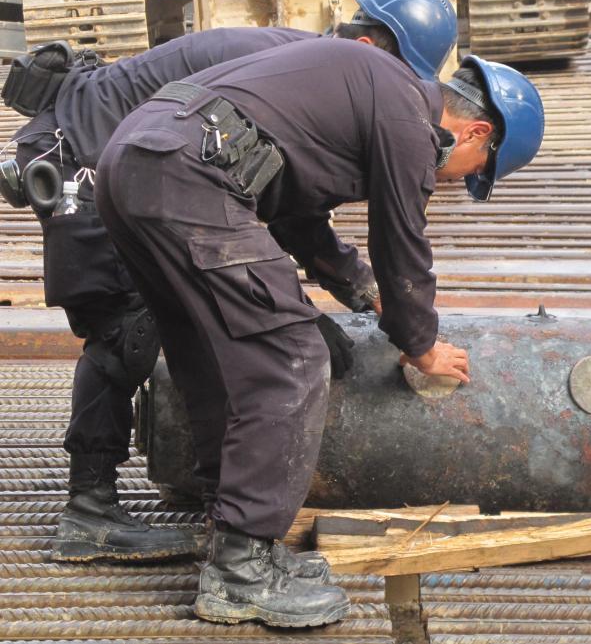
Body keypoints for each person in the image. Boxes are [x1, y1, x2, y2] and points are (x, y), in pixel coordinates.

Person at [0, 0, 457, 565]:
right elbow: (271, 214)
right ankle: (91, 511)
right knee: (125, 332)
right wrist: (302, 309)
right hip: (81, 152)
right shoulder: (296, 65)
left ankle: (202, 501)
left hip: (126, 157)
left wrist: (354, 290)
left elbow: (265, 201)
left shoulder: (307, 66)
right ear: (371, 49)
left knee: (169, 320)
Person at [93, 38, 544, 627]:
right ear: (477, 133)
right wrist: (421, 345)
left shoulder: (368, 91)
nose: (462, 180)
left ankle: (230, 533)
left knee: (208, 352)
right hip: (189, 175)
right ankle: (241, 571)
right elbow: (402, 241)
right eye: (478, 171)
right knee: (292, 357)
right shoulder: (409, 120)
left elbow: (296, 216)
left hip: (135, 161)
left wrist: (361, 291)